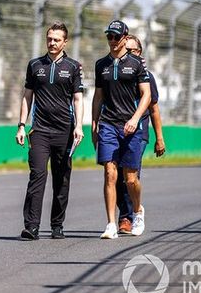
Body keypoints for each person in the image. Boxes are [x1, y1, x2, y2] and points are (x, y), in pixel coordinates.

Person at [16, 22, 84, 240]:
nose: (52, 43)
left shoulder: (73, 67)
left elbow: (77, 99)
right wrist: (21, 125)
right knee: (37, 175)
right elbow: (27, 96)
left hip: (64, 131)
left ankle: (57, 225)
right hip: (40, 131)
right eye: (49, 39)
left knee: (61, 179)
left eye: (57, 39)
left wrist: (79, 126)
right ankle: (32, 226)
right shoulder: (35, 65)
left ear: (65, 42)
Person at [91, 20, 151, 239]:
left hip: (131, 126)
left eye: (117, 37)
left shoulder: (137, 64)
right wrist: (94, 123)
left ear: (125, 38)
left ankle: (137, 211)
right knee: (109, 172)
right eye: (109, 37)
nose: (113, 41)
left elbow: (147, 96)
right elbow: (98, 97)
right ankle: (110, 224)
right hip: (108, 123)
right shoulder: (100, 64)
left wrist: (135, 119)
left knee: (130, 179)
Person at [116, 35, 165, 234]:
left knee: (130, 176)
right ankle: (125, 216)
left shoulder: (146, 76)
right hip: (115, 128)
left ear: (140, 53)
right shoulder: (116, 73)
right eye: (125, 50)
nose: (128, 54)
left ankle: (131, 215)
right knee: (116, 174)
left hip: (139, 131)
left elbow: (154, 109)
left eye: (133, 51)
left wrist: (159, 138)